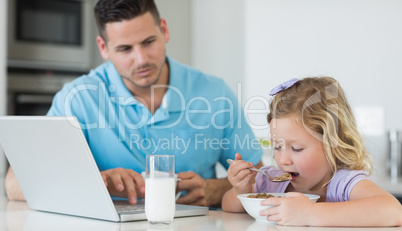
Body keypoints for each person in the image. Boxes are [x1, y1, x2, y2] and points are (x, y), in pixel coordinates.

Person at [5, 0, 262, 207]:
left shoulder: (214, 93)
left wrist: (217, 189)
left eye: (148, 42)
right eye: (125, 49)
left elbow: (261, 177)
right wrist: (95, 181)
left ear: (164, 30)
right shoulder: (78, 98)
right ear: (103, 48)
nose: (141, 60)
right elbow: (14, 183)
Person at [222, 77, 402, 226]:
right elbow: (229, 206)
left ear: (332, 143)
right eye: (277, 146)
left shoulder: (344, 183)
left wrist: (310, 213)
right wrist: (241, 190)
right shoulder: (271, 181)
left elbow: (393, 211)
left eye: (296, 148)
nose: (283, 160)